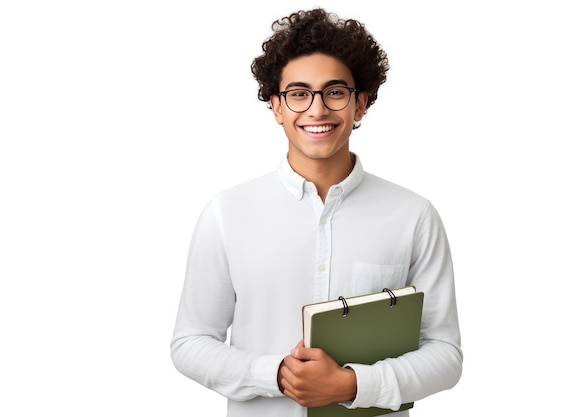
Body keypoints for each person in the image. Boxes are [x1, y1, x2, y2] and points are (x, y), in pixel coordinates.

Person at [170, 8, 462, 417]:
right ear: (277, 107)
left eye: (335, 92)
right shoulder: (226, 213)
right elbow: (190, 343)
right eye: (299, 93)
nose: (317, 109)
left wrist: (352, 384)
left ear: (360, 105)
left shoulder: (413, 215)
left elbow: (445, 354)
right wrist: (272, 374)